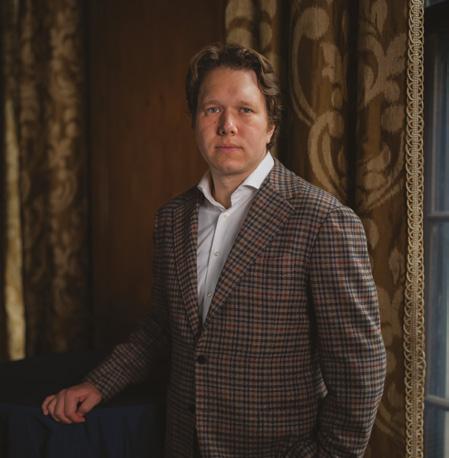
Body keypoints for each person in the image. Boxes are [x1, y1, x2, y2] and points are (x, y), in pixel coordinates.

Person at [42, 43, 386, 457]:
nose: (227, 126)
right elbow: (162, 327)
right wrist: (99, 383)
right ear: (194, 121)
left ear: (271, 125)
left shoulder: (323, 221)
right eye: (212, 110)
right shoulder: (172, 219)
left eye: (245, 110)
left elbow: (359, 372)